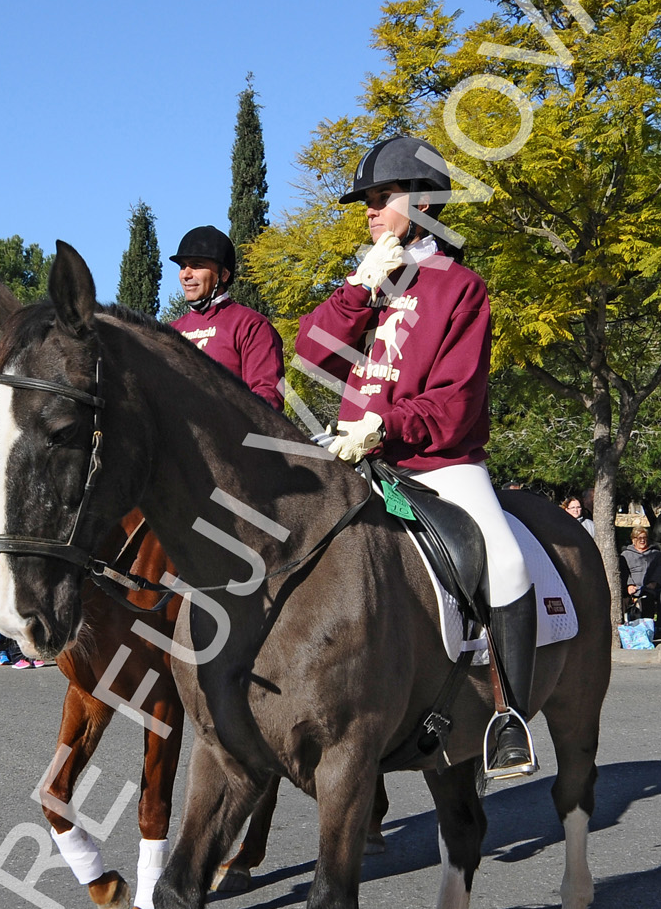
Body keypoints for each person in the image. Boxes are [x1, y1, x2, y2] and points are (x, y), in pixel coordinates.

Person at [295, 134, 537, 779]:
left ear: (425, 202)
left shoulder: (461, 287)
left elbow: (456, 404)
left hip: (437, 464)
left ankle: (506, 715)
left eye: (383, 198)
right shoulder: (368, 284)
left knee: (507, 563)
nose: (370, 211)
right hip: (347, 459)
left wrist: (383, 424)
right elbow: (310, 359)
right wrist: (353, 293)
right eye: (366, 201)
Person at [168, 226, 285, 410]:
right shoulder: (169, 331)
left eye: (197, 265)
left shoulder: (252, 325)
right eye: (183, 266)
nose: (186, 275)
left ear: (223, 274)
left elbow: (269, 400)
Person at [620, 524, 661, 624]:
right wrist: (629, 585)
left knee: (648, 600)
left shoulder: (655, 554)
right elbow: (624, 571)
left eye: (644, 538)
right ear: (633, 540)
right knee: (622, 600)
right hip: (631, 588)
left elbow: (659, 569)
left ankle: (648, 627)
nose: (642, 540)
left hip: (649, 587)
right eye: (639, 538)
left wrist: (654, 582)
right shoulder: (626, 555)